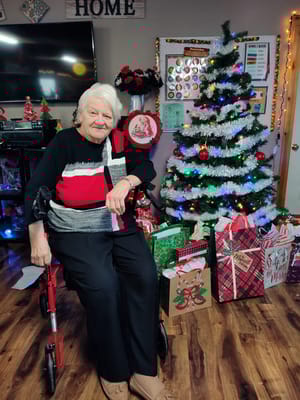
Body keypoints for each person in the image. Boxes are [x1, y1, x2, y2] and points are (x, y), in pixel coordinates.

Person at [24, 83, 176, 400]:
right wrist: (37, 234)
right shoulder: (64, 143)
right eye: (93, 112)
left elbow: (146, 166)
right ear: (80, 115)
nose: (100, 120)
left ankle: (144, 372)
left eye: (107, 115)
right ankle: (113, 370)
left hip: (118, 224)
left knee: (144, 276)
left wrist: (126, 182)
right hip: (76, 230)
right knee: (104, 286)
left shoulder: (120, 141)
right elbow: (36, 188)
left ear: (114, 121)